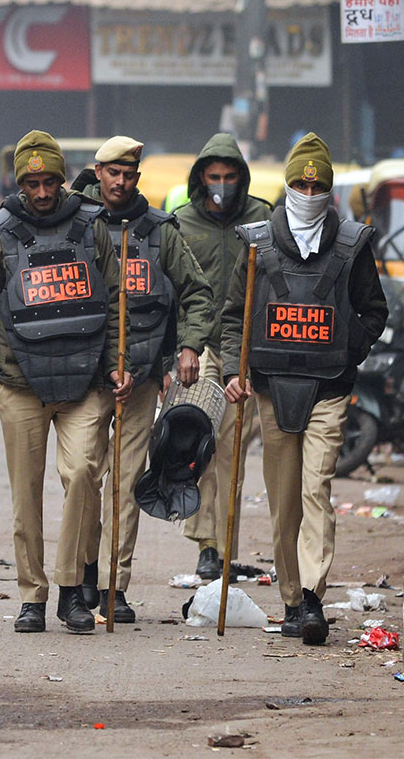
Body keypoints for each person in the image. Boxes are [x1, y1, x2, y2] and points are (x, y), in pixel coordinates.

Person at [221, 134, 388, 645]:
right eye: (301, 184)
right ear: (288, 185)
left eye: (318, 186)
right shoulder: (256, 243)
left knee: (316, 489)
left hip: (329, 390)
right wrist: (232, 370)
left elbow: (374, 311)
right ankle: (292, 599)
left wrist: (347, 347)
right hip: (272, 389)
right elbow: (234, 315)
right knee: (284, 501)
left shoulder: (352, 244)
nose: (309, 193)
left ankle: (312, 597)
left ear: (329, 190)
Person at [0, 130, 126, 635]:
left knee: (82, 475)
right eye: (31, 184)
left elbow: (115, 299)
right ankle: (32, 596)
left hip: (85, 383)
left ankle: (71, 590)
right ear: (19, 183)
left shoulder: (92, 227)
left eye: (49, 182)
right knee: (26, 496)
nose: (41, 192)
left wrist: (114, 365)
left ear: (62, 180)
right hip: (19, 386)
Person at [76, 137, 212, 624]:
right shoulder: (77, 224)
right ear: (98, 173)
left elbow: (197, 292)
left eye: (129, 175)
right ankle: (84, 572)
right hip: (88, 376)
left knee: (126, 479)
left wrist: (190, 346)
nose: (120, 182)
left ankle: (114, 585)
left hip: (143, 375)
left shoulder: (160, 231)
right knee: (83, 476)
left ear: (137, 178)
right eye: (112, 173)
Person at [174, 132, 272, 580]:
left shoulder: (262, 219)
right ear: (201, 178)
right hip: (196, 349)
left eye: (230, 176)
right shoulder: (181, 222)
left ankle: (222, 546)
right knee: (199, 443)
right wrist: (177, 350)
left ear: (241, 178)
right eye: (213, 176)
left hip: (242, 349)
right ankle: (205, 545)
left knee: (231, 451)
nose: (221, 185)